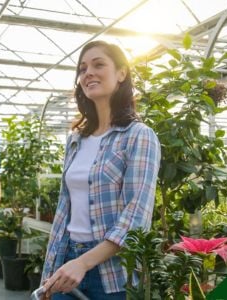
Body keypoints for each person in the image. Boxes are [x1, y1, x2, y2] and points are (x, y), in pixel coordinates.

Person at [40, 40, 161, 299]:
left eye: (98, 65)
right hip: (67, 260)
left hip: (111, 272)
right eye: (82, 69)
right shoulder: (76, 139)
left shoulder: (138, 136)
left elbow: (136, 216)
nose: (88, 73)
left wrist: (83, 262)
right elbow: (65, 210)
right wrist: (53, 267)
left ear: (121, 73)